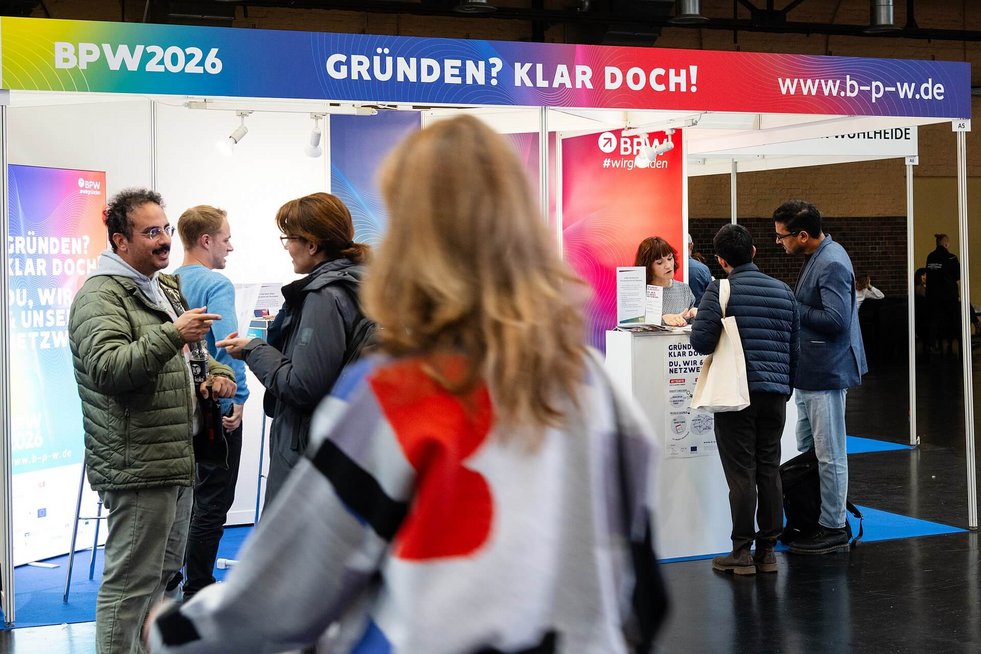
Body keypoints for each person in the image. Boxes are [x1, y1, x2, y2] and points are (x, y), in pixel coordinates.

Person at [147, 115, 667, 653]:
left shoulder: (396, 395)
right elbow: (642, 597)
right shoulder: (593, 386)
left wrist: (167, 630)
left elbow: (280, 600)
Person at [69, 188, 236, 654]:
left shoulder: (163, 287)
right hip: (138, 464)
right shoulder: (99, 296)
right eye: (151, 232)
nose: (164, 240)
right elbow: (108, 369)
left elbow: (193, 356)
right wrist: (171, 333)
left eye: (164, 228)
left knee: (162, 579)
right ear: (121, 242)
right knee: (129, 587)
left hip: (174, 458)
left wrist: (218, 375)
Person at [216, 192, 370, 508]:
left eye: (289, 238)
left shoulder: (324, 297)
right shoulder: (362, 286)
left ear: (312, 245)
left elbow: (302, 385)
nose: (287, 247)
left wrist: (253, 349)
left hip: (309, 454)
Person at [690, 224, 799, 575]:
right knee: (769, 470)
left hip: (735, 395)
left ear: (721, 260)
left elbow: (702, 342)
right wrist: (785, 387)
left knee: (741, 474)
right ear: (754, 252)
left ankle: (740, 551)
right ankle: (768, 552)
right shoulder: (784, 290)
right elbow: (793, 348)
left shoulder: (718, 289)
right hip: (775, 395)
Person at [773, 200, 867, 555]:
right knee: (812, 451)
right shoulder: (820, 256)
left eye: (782, 237)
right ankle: (814, 517)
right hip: (812, 371)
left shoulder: (831, 262)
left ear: (802, 235)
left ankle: (832, 527)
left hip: (826, 371)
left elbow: (837, 321)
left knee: (829, 454)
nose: (779, 242)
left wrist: (793, 306)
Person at [173, 205, 250, 601]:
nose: (230, 247)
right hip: (213, 410)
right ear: (206, 240)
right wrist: (237, 398)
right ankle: (199, 585)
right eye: (226, 238)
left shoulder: (164, 282)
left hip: (177, 411)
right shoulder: (217, 285)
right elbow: (227, 344)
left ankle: (174, 582)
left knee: (184, 500)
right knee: (214, 499)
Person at [634, 235, 696, 326]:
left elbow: (692, 325)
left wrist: (696, 314)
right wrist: (662, 319)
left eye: (670, 258)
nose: (668, 265)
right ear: (648, 266)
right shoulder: (639, 292)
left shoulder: (684, 289)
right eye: (659, 263)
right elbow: (631, 325)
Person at [925, 233, 961, 355]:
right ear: (946, 243)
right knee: (953, 318)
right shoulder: (951, 258)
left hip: (932, 295)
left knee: (933, 320)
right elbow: (957, 275)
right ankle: (955, 343)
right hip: (948, 295)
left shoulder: (930, 257)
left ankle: (931, 345)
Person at [687, 233, 712, 306]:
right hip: (699, 312)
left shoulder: (667, 268)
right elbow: (710, 296)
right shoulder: (702, 269)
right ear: (691, 246)